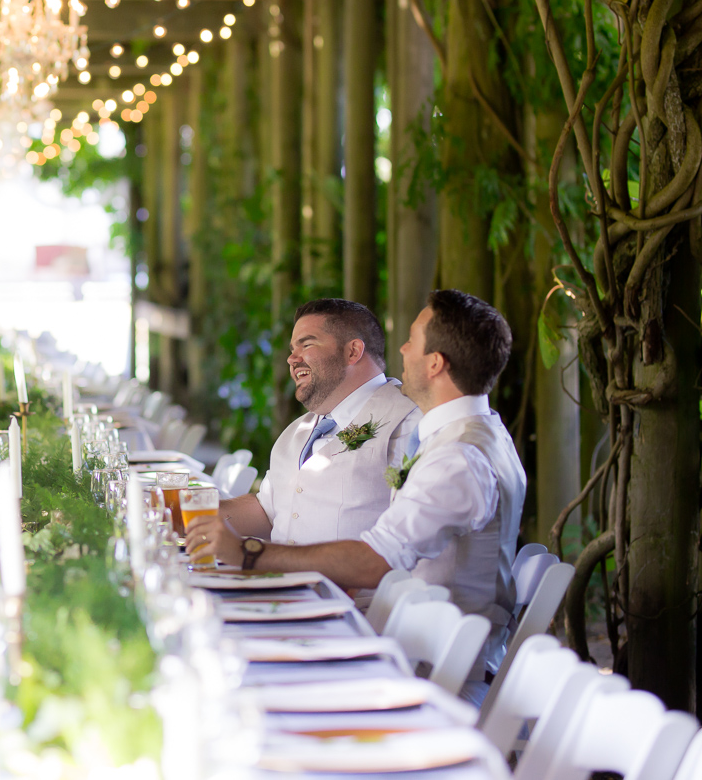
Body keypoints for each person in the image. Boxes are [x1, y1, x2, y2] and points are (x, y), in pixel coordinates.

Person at [188, 290, 526, 678]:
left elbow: (378, 560)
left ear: (435, 363)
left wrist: (250, 555)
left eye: (412, 341)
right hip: (404, 642)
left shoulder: (457, 457)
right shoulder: (467, 435)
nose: (401, 349)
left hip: (430, 668)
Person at [219, 298, 420, 547]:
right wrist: (186, 512)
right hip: (279, 582)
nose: (292, 359)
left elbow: (414, 537)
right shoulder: (296, 431)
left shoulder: (408, 422)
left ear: (352, 351)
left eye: (307, 344)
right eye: (293, 348)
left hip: (352, 585)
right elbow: (269, 511)